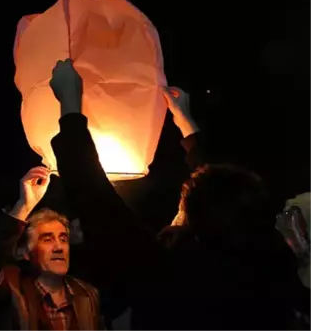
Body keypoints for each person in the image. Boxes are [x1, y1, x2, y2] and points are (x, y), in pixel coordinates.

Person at [48, 59, 310, 331]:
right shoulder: (271, 263)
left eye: (184, 205)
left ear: (196, 226)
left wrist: (70, 105)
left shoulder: (172, 277)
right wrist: (187, 123)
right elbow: (224, 196)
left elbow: (97, 202)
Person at [0, 167, 104, 331]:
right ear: (26, 253)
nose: (58, 247)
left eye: (63, 238)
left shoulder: (86, 294)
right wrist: (24, 206)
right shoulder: (12, 289)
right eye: (47, 239)